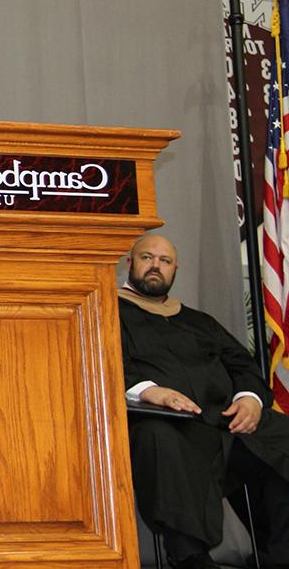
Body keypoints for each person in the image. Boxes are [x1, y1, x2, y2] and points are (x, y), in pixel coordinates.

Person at [119, 233, 289, 569]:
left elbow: (242, 364)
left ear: (175, 270)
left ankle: (281, 554)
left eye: (165, 261)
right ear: (130, 263)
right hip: (166, 424)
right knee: (158, 438)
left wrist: (250, 399)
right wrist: (148, 390)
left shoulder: (199, 321)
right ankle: (189, 556)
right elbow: (98, 363)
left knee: (281, 435)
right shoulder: (109, 312)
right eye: (147, 258)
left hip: (224, 422)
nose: (156, 266)